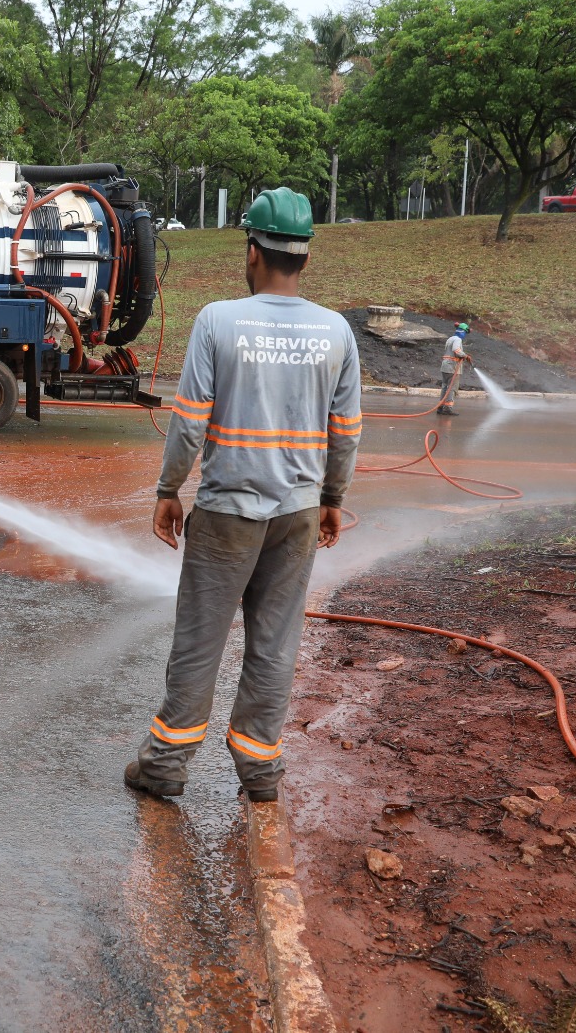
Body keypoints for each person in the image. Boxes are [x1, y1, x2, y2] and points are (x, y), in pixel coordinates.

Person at [124, 187, 362, 805]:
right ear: (304, 257)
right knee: (276, 642)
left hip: (229, 511)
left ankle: (165, 766)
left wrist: (168, 488)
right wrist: (332, 497)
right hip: (298, 514)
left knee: (200, 639)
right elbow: (347, 429)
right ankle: (260, 774)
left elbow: (188, 421)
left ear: (252, 251)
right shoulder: (335, 331)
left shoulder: (218, 320)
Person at [437, 322, 472, 416]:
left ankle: (440, 407)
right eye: (465, 333)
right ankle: (448, 408)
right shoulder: (458, 339)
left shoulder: (450, 339)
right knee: (452, 387)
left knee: (445, 386)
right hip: (452, 367)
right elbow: (456, 350)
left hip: (445, 366)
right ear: (463, 332)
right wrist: (465, 356)